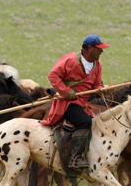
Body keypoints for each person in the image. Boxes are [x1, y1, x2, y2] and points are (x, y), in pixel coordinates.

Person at [40, 34, 108, 169]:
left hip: (84, 103)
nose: (101, 51)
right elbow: (53, 76)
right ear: (88, 48)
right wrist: (67, 92)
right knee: (85, 122)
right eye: (98, 48)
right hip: (67, 103)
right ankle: (75, 158)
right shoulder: (70, 60)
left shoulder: (97, 65)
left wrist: (99, 89)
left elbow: (97, 84)